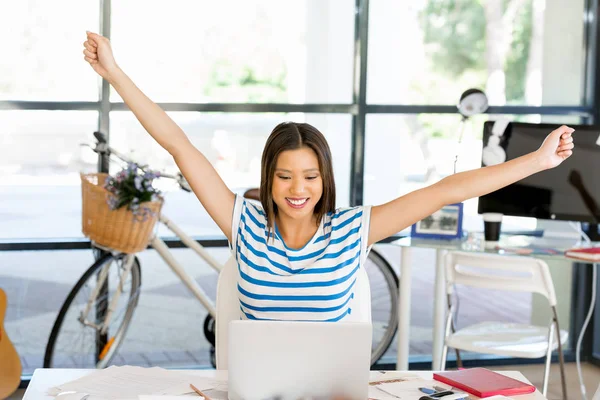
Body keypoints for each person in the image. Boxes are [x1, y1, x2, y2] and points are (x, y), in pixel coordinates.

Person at [82, 32, 575, 322]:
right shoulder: (244, 223)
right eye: (285, 176)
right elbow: (178, 144)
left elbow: (445, 190)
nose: (299, 190)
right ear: (269, 180)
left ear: (325, 180)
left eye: (310, 176)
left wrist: (536, 161)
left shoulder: (350, 231)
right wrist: (117, 75)